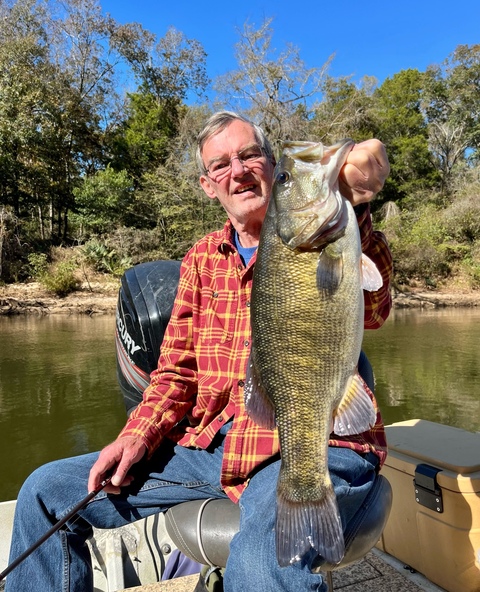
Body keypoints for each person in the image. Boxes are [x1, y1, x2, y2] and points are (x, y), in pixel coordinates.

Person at [5, 111, 393, 592]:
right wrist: (137, 437)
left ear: (271, 166)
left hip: (313, 441)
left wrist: (355, 203)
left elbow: (374, 307)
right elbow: (175, 374)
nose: (239, 170)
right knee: (45, 494)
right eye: (222, 164)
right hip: (213, 449)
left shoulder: (331, 237)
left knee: (263, 554)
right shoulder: (201, 259)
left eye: (250, 154)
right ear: (209, 185)